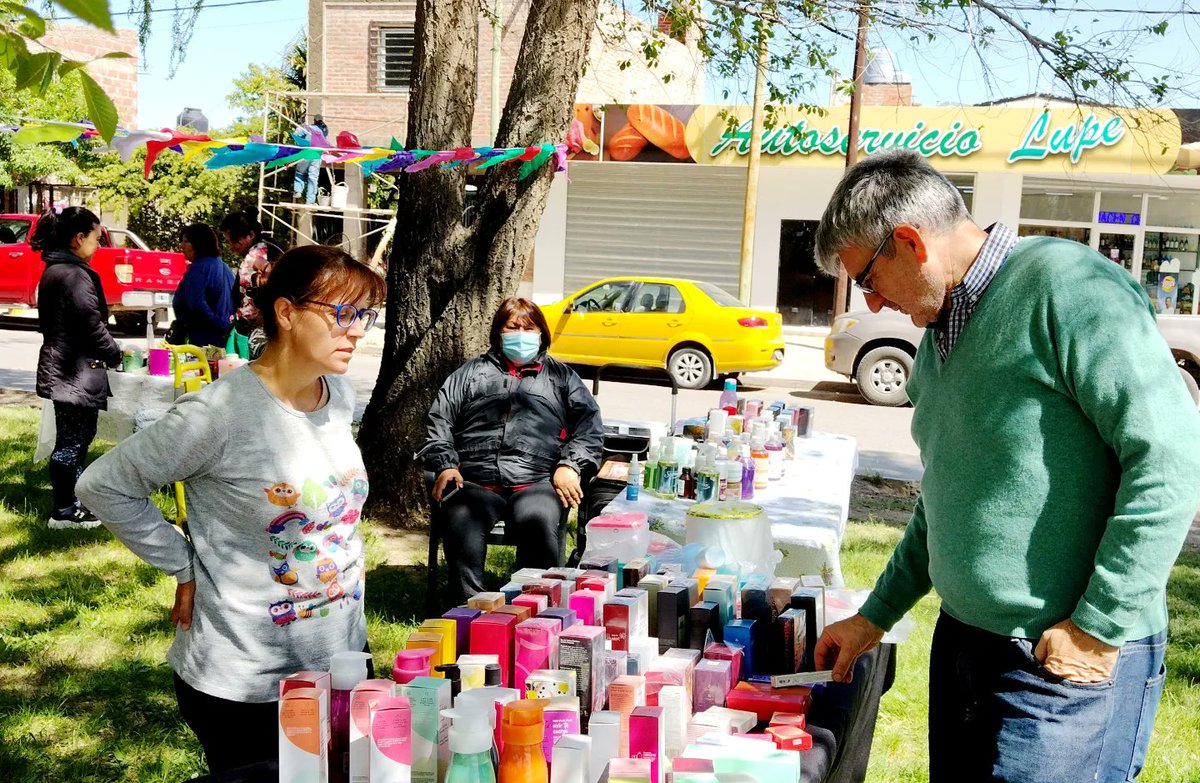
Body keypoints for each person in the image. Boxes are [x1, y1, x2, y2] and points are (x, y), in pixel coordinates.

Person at [810, 148, 1200, 782]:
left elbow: (1170, 457)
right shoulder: (941, 333)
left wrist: (1099, 625)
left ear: (910, 242)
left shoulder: (1068, 289)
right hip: (966, 647)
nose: (873, 306)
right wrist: (874, 616)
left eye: (869, 282)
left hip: (1063, 663)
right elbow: (944, 501)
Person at [77, 245, 386, 774]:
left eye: (366, 315)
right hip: (247, 683)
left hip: (343, 659)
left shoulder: (337, 395)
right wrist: (182, 563)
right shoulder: (216, 414)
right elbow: (104, 484)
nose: (357, 331)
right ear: (287, 313)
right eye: (343, 314)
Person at [420, 297, 605, 604]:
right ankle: (469, 610)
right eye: (512, 327)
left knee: (541, 522)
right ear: (499, 332)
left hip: (536, 481)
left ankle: (531, 611)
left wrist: (570, 465)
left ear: (542, 334)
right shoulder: (469, 373)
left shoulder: (561, 378)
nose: (521, 334)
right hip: (474, 481)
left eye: (529, 328)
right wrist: (446, 464)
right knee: (460, 522)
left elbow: (590, 426)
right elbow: (439, 420)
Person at [33, 207, 123, 530]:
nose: (99, 245)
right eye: (97, 238)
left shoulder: (58, 270)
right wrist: (116, 352)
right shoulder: (73, 274)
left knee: (79, 438)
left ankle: (73, 501)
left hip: (69, 369)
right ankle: (64, 511)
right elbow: (91, 326)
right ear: (79, 238)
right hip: (73, 371)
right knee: (71, 441)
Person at [220, 209, 284, 357]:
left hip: (259, 325)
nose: (231, 246)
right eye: (229, 241)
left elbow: (264, 270)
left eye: (235, 241)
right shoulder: (272, 245)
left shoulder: (256, 254)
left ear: (251, 235)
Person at [172, 223, 235, 348]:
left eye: (186, 241)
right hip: (224, 336)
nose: (182, 246)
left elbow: (196, 303)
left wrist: (215, 321)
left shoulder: (199, 268)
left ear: (198, 244)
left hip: (202, 338)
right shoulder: (223, 266)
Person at [292, 116, 328, 204]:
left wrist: (300, 125)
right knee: (313, 177)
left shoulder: (308, 128)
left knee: (300, 172)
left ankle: (298, 191)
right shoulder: (325, 130)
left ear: (314, 120)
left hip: (307, 152)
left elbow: (296, 135)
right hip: (317, 154)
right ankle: (310, 201)